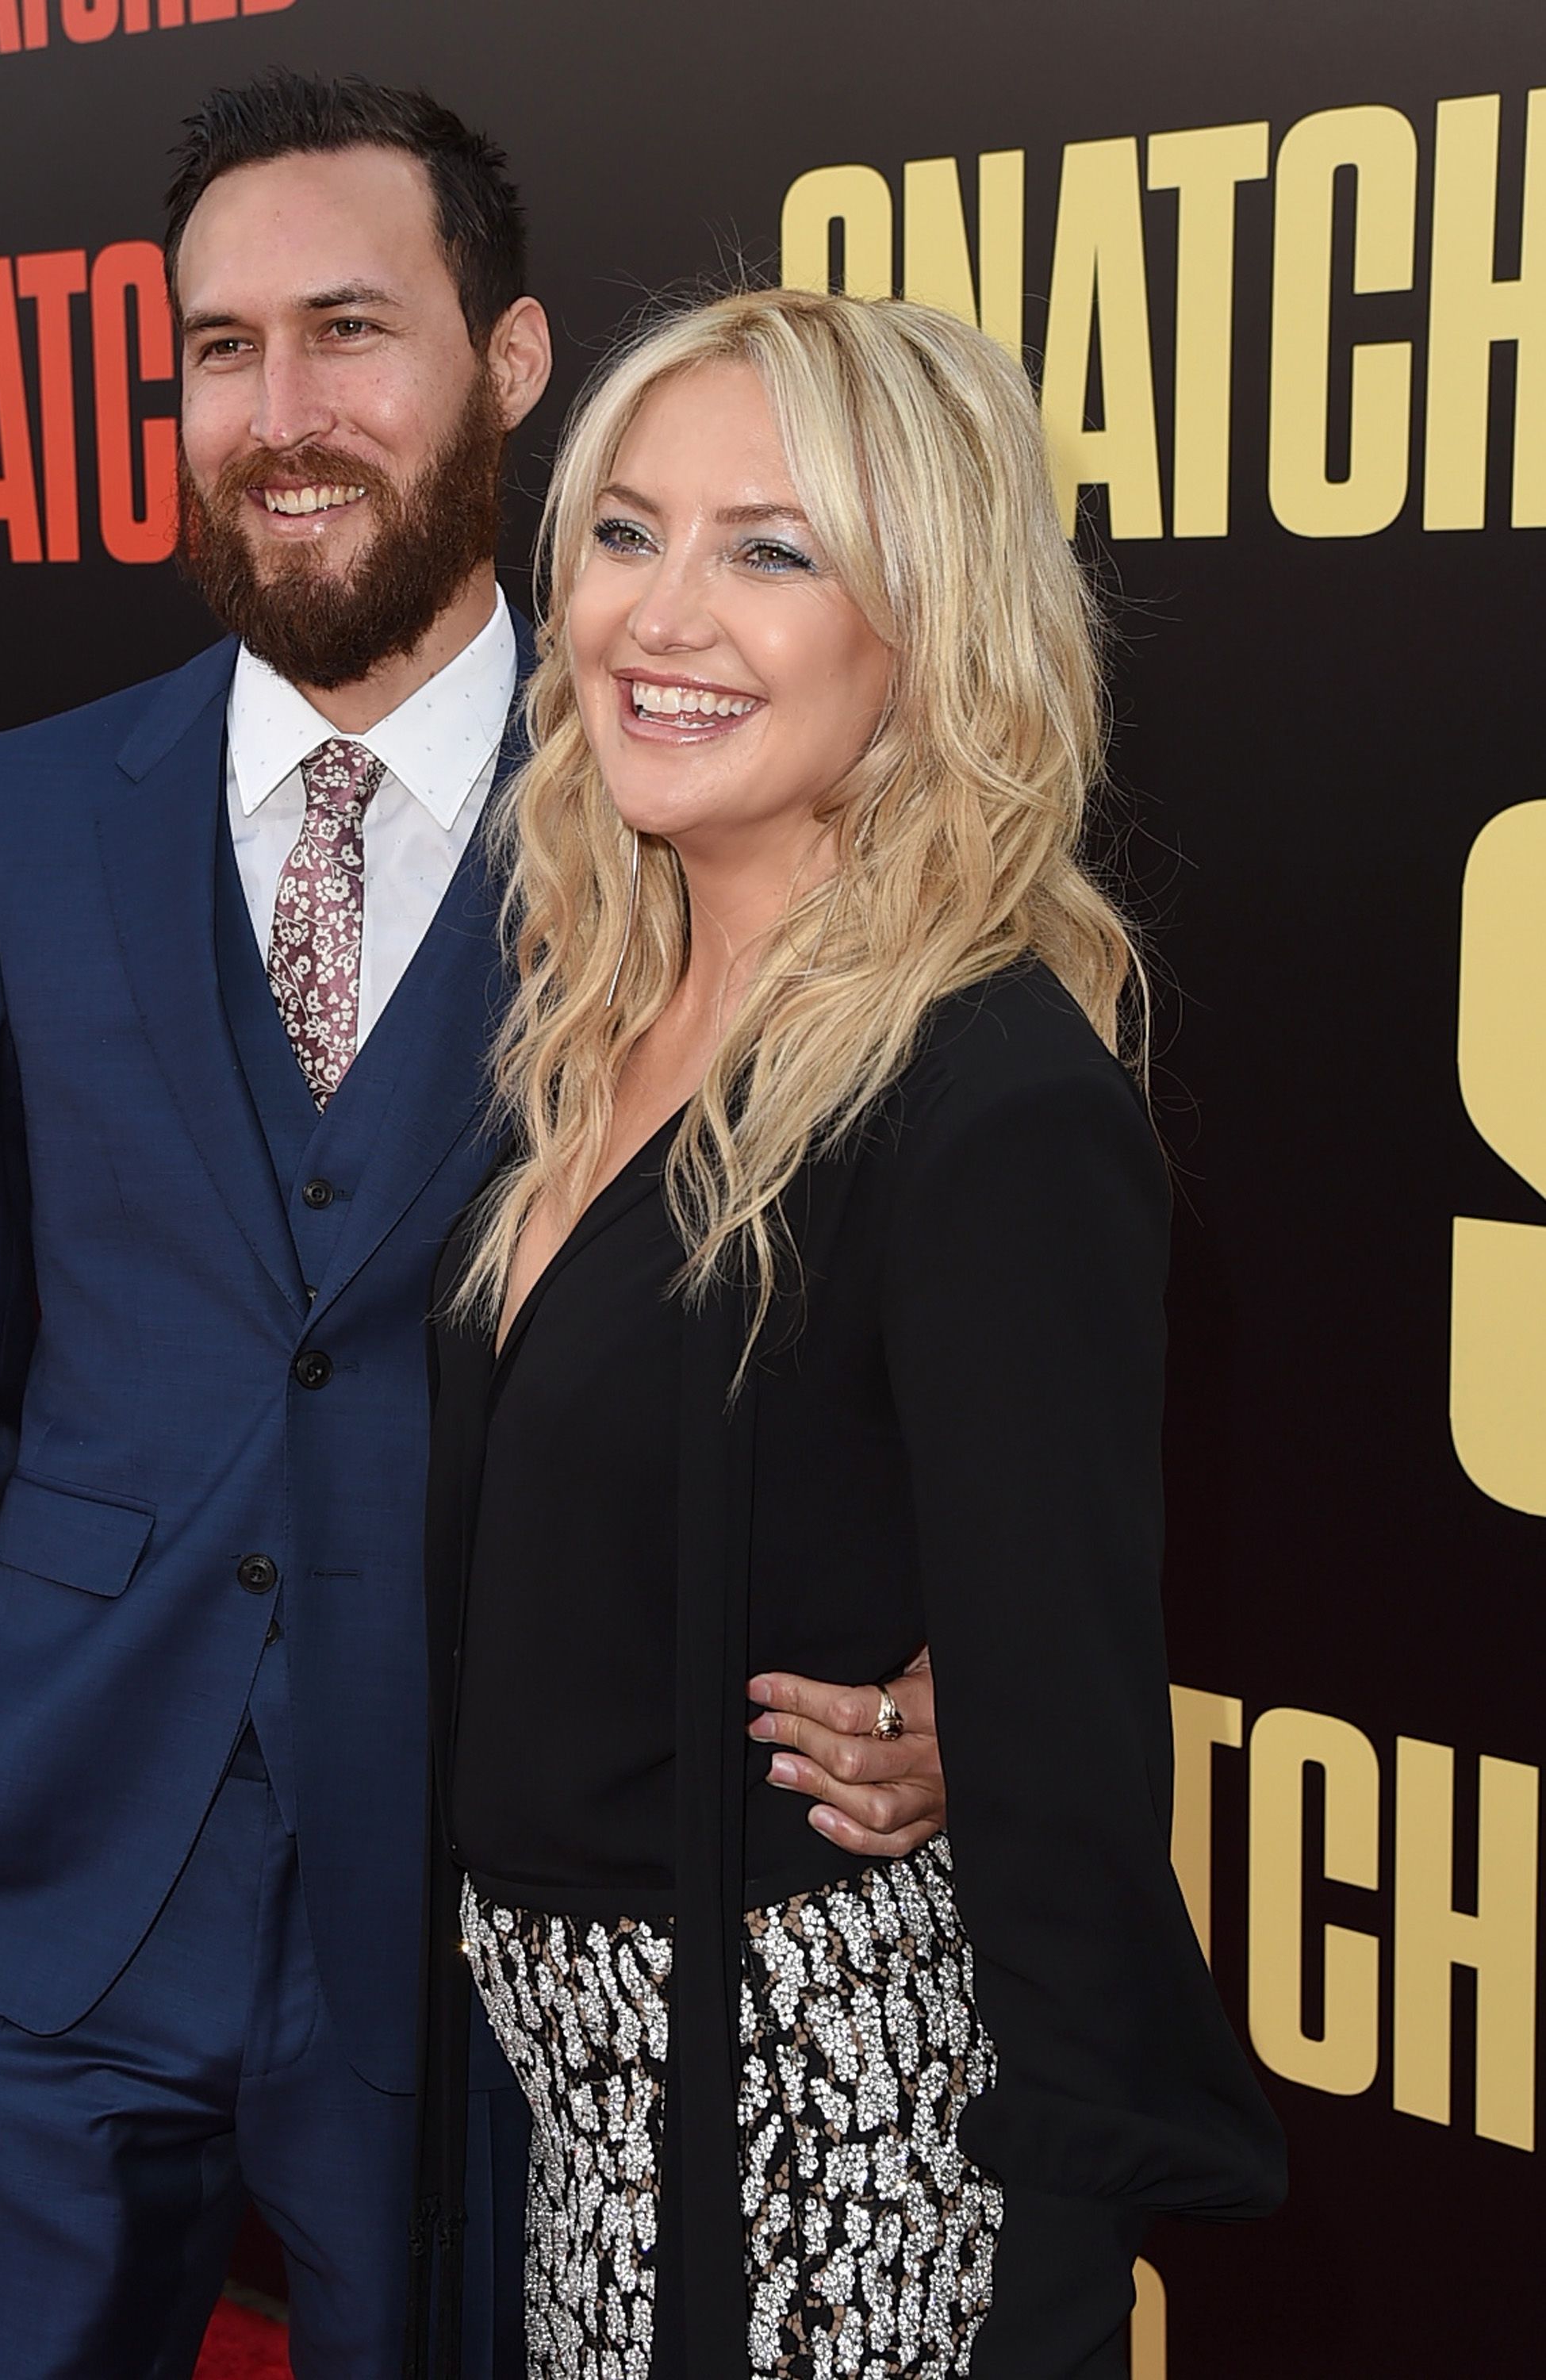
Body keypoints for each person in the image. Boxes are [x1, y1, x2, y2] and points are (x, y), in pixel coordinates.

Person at [0, 76, 950, 2380]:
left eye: (349, 328)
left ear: (509, 366)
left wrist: (961, 1675)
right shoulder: (25, 819)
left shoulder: (687, 800)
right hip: (43, 1872)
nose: (282, 410)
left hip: (475, 1906)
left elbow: (888, 1311)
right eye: (219, 350)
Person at [416, 288, 1287, 2380]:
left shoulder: (988, 1098)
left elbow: (1072, 1783)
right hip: (590, 2137)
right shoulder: (593, 1023)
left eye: (773, 550)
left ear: (928, 636)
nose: (661, 613)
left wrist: (1053, 2309)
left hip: (828, 2161)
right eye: (625, 532)